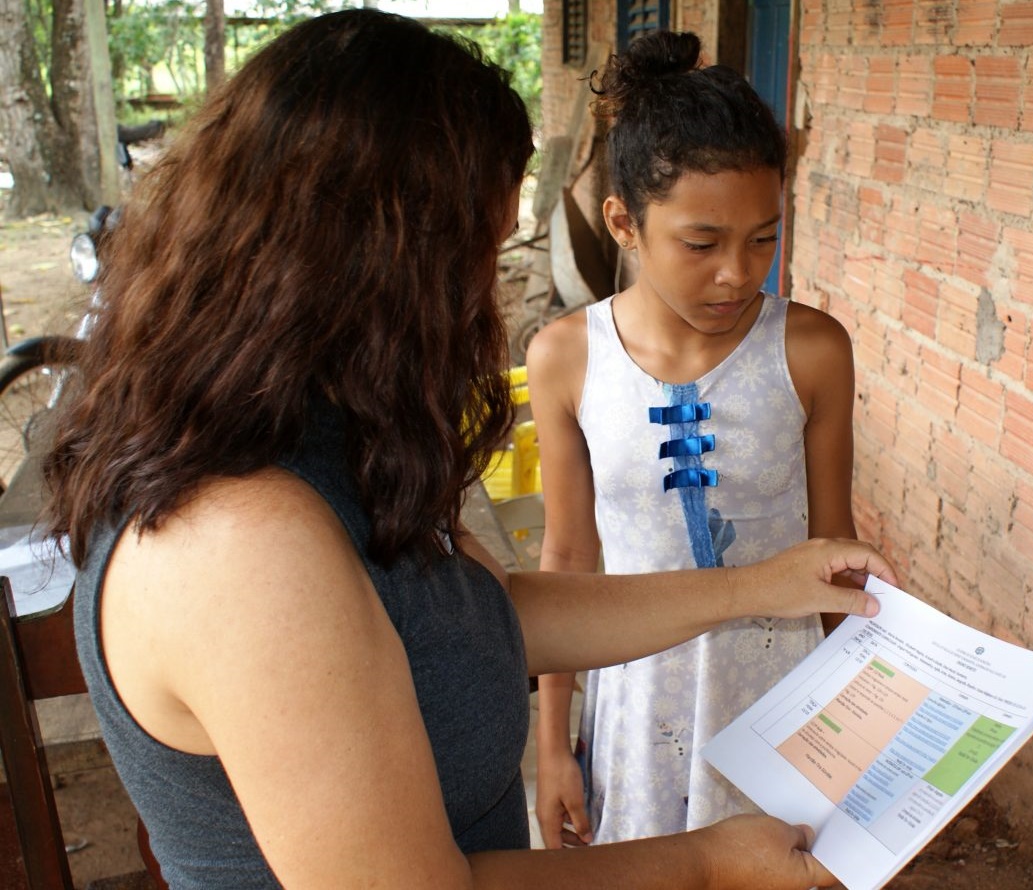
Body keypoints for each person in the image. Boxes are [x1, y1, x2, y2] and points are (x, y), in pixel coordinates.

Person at [40, 10, 894, 889]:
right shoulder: (239, 543)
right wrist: (708, 864)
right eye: (470, 261)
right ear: (371, 265)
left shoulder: (320, 437)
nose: (481, 301)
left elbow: (484, 622)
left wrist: (758, 586)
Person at [528, 29, 861, 850]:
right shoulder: (568, 358)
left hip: (780, 696)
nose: (739, 275)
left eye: (764, 238)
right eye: (702, 244)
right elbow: (568, 561)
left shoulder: (812, 350)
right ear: (624, 224)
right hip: (638, 704)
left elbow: (835, 552)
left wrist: (858, 737)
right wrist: (552, 748)